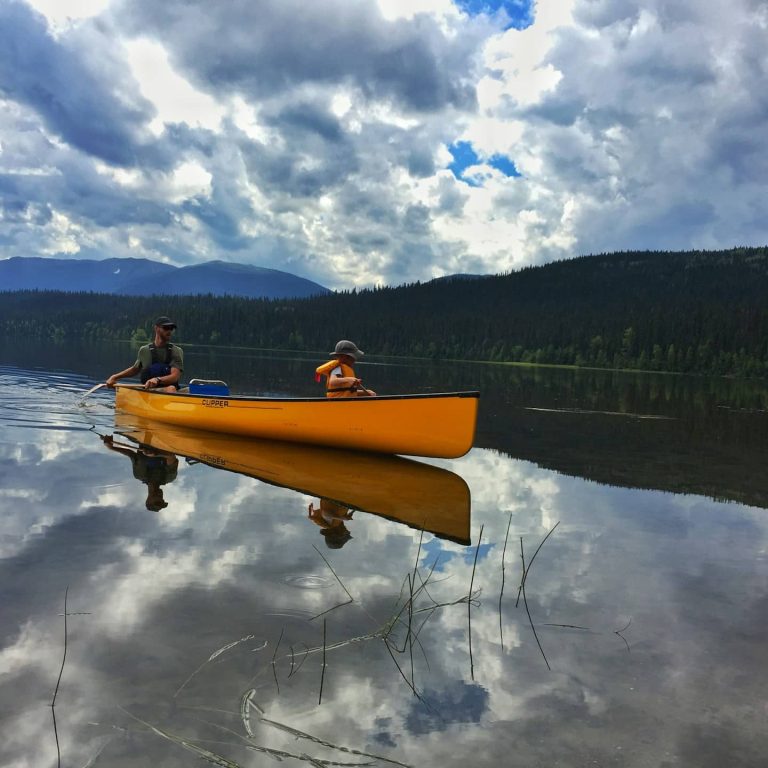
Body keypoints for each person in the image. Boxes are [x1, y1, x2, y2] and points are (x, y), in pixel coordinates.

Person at [101, 434, 179, 511]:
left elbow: (131, 454)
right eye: (162, 500)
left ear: (148, 500)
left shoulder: (138, 475)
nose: (160, 497)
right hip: (165, 438)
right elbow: (171, 457)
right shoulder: (169, 478)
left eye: (158, 501)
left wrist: (111, 447)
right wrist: (156, 454)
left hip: (145, 436)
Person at [106, 316, 184, 392]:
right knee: (170, 389)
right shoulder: (144, 350)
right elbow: (135, 369)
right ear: (156, 328)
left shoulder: (176, 351)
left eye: (171, 328)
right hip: (149, 390)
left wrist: (157, 380)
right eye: (166, 328)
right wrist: (115, 377)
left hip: (171, 390)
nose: (169, 331)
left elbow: (175, 376)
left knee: (175, 389)